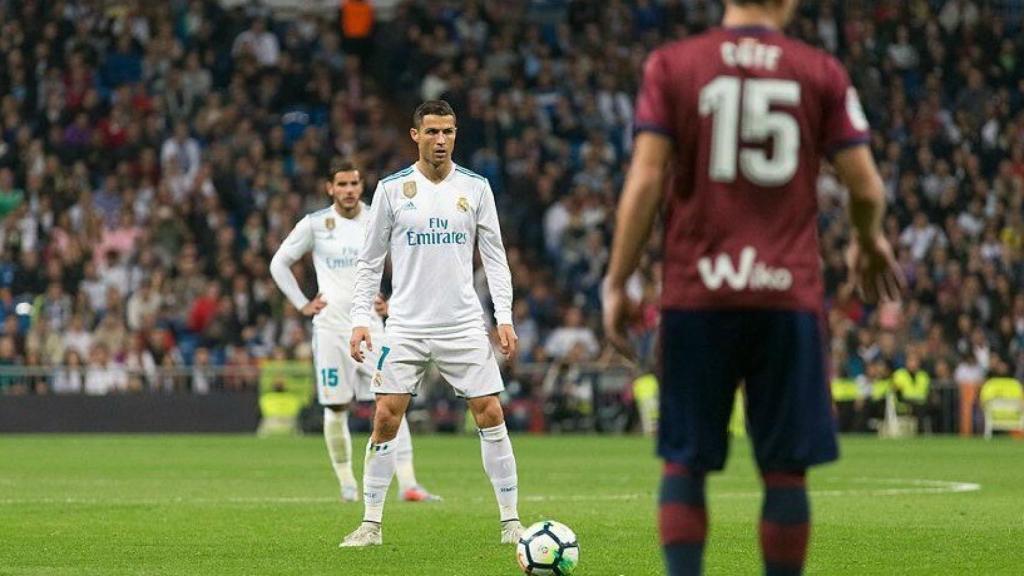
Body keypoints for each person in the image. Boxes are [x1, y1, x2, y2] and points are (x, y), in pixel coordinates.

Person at [602, 2, 904, 574]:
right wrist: (869, 242)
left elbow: (644, 180)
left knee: (685, 464)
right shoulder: (820, 71)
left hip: (698, 294)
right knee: (785, 470)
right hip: (785, 295)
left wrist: (619, 279)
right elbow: (867, 189)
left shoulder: (674, 64)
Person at [340, 100, 521, 547]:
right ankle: (371, 523)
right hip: (405, 325)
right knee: (385, 416)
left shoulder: (476, 188)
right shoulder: (390, 189)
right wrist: (360, 318)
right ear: (415, 135)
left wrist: (504, 316)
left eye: (449, 132)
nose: (441, 141)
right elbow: (369, 261)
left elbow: (495, 258)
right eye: (433, 132)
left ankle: (511, 521)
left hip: (461, 324)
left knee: (491, 413)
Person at [270, 160, 437, 503]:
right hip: (330, 330)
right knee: (336, 408)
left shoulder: (379, 217)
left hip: (372, 329)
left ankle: (408, 484)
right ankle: (347, 483)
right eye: (341, 184)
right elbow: (279, 263)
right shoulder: (315, 224)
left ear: (362, 187)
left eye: (354, 184)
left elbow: (411, 258)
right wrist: (302, 303)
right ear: (330, 188)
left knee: (393, 398)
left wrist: (394, 302)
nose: (348, 190)